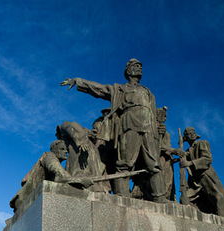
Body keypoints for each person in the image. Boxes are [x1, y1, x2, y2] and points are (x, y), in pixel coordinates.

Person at [61, 59, 167, 202]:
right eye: (136, 66)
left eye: (141, 66)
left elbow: (154, 114)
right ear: (129, 71)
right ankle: (122, 196)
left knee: (154, 164)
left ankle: (159, 197)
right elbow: (99, 89)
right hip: (129, 126)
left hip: (149, 128)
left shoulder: (148, 92)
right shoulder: (119, 89)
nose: (140, 68)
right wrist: (78, 81)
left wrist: (157, 129)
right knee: (125, 163)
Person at [10, 140, 91, 212]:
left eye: (66, 149)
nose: (66, 151)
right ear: (54, 150)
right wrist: (80, 180)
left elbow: (61, 178)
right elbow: (62, 175)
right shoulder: (49, 156)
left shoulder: (55, 162)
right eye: (62, 149)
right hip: (23, 200)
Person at [180, 127, 224, 221]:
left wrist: (190, 163)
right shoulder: (188, 150)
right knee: (188, 198)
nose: (191, 135)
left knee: (218, 196)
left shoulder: (202, 143)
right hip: (195, 180)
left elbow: (207, 159)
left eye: (192, 133)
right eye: (188, 134)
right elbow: (182, 157)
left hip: (205, 175)